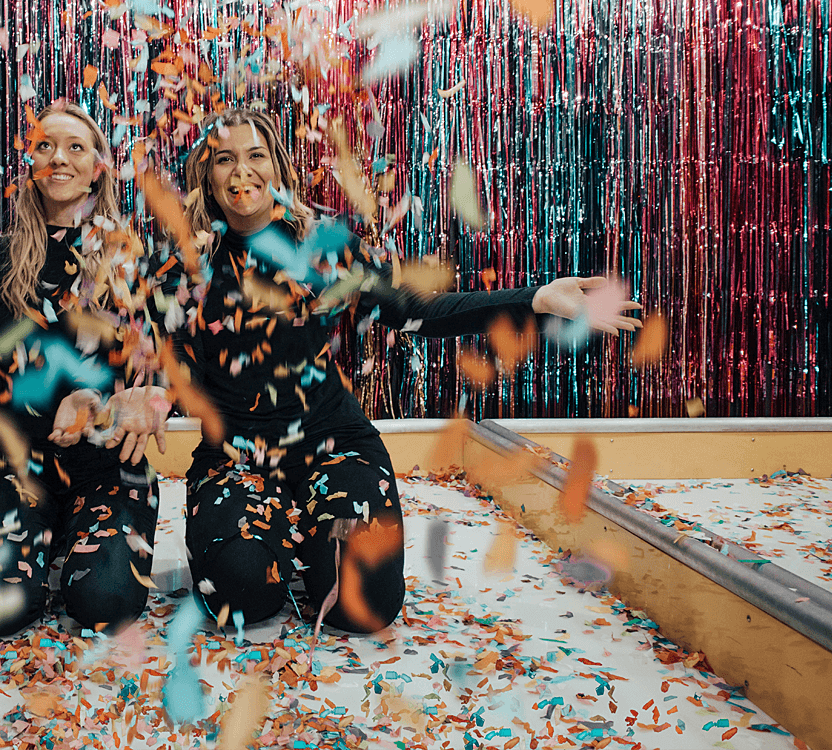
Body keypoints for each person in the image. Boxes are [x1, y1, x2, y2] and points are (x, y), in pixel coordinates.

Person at [157, 108, 641, 634]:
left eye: (256, 156)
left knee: (363, 605)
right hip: (235, 456)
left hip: (333, 445)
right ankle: (275, 536)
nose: (241, 172)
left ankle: (318, 539)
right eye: (224, 159)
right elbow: (177, 354)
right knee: (242, 595)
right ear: (205, 175)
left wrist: (536, 299)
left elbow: (419, 310)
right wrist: (159, 394)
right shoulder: (185, 263)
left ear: (278, 168)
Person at [0, 102, 169, 635]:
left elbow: (156, 369)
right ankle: (42, 533)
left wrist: (142, 400)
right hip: (21, 467)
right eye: (45, 145)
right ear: (31, 163)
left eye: (75, 147)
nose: (59, 158)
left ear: (98, 168)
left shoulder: (132, 260)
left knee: (103, 604)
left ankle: (77, 538)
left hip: (108, 470)